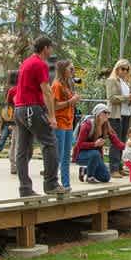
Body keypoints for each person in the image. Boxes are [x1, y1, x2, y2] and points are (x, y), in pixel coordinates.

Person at [15, 37, 69, 197]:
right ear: (45, 48)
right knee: (50, 143)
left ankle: (25, 188)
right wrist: (52, 116)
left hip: (20, 109)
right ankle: (51, 184)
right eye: (50, 48)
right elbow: (47, 91)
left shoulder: (27, 62)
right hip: (32, 108)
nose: (51, 51)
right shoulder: (40, 64)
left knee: (23, 150)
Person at [73, 104, 126, 183]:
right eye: (105, 112)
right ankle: (90, 177)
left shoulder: (106, 125)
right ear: (98, 113)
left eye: (108, 113)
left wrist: (128, 147)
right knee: (95, 153)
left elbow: (116, 141)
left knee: (106, 177)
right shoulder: (87, 125)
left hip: (96, 157)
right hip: (81, 155)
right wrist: (94, 144)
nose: (107, 115)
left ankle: (84, 170)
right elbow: (79, 145)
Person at [106, 59, 131, 178]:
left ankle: (119, 167)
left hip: (126, 114)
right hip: (115, 116)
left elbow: (125, 99)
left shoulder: (125, 82)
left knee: (121, 143)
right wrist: (127, 97)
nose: (125, 71)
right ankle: (113, 169)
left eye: (127, 69)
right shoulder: (112, 80)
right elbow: (112, 98)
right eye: (123, 68)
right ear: (117, 68)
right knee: (115, 142)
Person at [51, 60, 79, 189]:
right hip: (60, 123)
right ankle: (53, 182)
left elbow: (70, 102)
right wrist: (70, 102)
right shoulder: (56, 85)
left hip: (68, 123)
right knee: (58, 155)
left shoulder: (68, 85)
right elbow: (54, 106)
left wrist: (74, 101)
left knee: (67, 156)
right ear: (63, 70)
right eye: (70, 69)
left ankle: (66, 184)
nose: (72, 72)